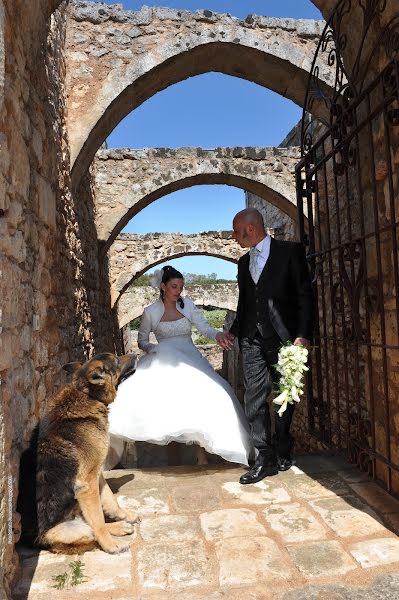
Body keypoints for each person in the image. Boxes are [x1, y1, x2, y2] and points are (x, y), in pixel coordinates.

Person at [108, 265, 254, 467]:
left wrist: (218, 335)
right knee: (169, 406)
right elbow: (142, 340)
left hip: (189, 356)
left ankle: (200, 455)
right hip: (163, 359)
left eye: (181, 286)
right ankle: (173, 458)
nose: (178, 291)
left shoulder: (188, 306)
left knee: (206, 398)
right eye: (174, 286)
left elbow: (204, 328)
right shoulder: (150, 312)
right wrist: (153, 349)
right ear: (163, 286)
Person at [228, 208, 314, 484]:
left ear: (251, 229)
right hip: (251, 339)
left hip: (283, 338)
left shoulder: (290, 253)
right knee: (254, 396)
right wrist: (233, 332)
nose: (234, 236)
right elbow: (244, 304)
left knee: (285, 395)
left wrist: (303, 335)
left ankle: (282, 443)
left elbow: (305, 297)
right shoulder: (243, 263)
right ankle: (264, 458)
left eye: (236, 230)